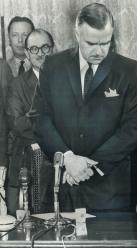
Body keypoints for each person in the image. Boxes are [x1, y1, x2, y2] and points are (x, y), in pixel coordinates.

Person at [35, 3, 137, 212]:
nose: (99, 51)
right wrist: (68, 158)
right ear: (77, 34)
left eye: (105, 43)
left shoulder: (129, 70)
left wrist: (86, 167)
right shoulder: (52, 66)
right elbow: (40, 118)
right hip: (63, 188)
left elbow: (133, 128)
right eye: (91, 43)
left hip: (110, 191)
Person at [6, 29, 55, 214]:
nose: (40, 53)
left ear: (53, 49)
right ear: (26, 53)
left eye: (45, 47)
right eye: (34, 49)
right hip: (27, 161)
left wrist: (33, 117)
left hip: (60, 161)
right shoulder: (17, 84)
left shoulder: (66, 81)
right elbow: (17, 123)